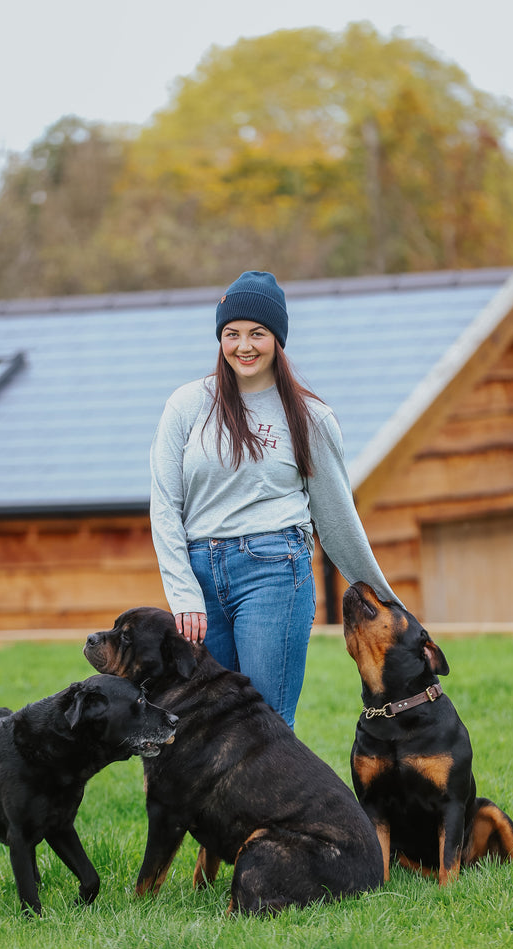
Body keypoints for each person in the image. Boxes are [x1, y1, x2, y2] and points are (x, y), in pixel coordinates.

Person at [150, 271, 399, 729]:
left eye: (257, 333)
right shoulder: (186, 406)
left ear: (277, 340)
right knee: (209, 724)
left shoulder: (311, 418)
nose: (244, 346)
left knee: (265, 727)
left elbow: (337, 518)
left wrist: (383, 597)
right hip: (200, 577)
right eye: (232, 333)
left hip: (274, 572)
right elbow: (165, 506)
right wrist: (183, 592)